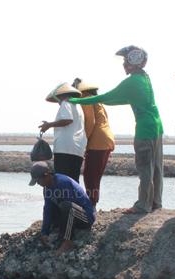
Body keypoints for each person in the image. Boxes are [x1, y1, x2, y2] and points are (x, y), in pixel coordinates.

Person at [69, 45, 163, 214]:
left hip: (144, 129)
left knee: (145, 168)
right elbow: (116, 100)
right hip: (157, 125)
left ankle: (143, 204)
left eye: (126, 60)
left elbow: (107, 97)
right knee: (156, 167)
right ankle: (155, 202)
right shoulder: (145, 78)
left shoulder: (132, 81)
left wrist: (76, 101)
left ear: (133, 61)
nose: (124, 64)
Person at [29, 161, 96, 254]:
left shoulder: (63, 182)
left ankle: (68, 241)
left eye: (38, 181)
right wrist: (44, 232)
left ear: (47, 175)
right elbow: (47, 210)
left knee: (66, 205)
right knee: (52, 208)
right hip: (70, 214)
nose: (38, 184)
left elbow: (70, 208)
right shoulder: (47, 188)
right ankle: (58, 234)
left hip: (85, 217)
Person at [72, 78, 115, 206]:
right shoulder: (97, 100)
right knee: (95, 176)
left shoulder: (86, 99)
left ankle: (91, 205)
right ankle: (92, 203)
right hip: (105, 141)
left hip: (97, 142)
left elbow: (90, 123)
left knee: (90, 176)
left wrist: (84, 142)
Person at [39, 83, 86, 182]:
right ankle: (73, 197)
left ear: (61, 96)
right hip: (77, 149)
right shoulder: (78, 106)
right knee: (73, 180)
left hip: (64, 148)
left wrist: (49, 125)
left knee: (62, 180)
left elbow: (67, 120)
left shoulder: (65, 103)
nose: (58, 102)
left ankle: (64, 197)